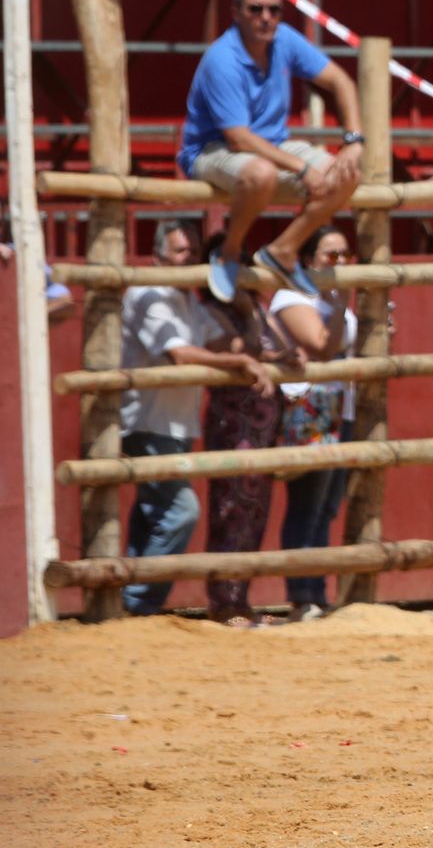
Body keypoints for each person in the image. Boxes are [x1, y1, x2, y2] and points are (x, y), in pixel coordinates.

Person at [178, 0, 365, 304]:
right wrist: (302, 169)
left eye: (274, 10)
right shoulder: (222, 59)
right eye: (256, 9)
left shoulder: (284, 40)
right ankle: (229, 253)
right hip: (211, 150)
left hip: (269, 147)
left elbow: (341, 81)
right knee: (261, 172)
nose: (266, 18)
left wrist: (353, 140)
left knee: (348, 174)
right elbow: (237, 139)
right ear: (236, 12)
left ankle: (284, 249)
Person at [120, 220, 275, 616]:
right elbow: (180, 353)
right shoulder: (148, 293)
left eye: (192, 252)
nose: (187, 260)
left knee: (153, 515)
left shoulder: (187, 300)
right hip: (147, 422)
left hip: (175, 422)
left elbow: (231, 344)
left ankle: (127, 602)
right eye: (179, 252)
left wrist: (247, 313)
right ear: (157, 256)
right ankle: (140, 603)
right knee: (180, 510)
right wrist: (240, 358)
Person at [197, 234, 295, 626]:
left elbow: (282, 347)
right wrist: (248, 315)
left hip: (264, 418)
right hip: (234, 418)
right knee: (230, 507)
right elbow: (241, 349)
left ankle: (241, 600)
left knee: (255, 509)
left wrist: (253, 312)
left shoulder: (258, 307)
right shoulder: (208, 309)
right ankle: (224, 602)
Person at [271, 225, 358, 621]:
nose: (339, 263)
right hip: (314, 406)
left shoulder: (331, 298)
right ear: (308, 260)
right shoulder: (292, 296)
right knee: (308, 504)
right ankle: (301, 594)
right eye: (330, 255)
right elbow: (323, 346)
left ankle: (316, 592)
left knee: (327, 506)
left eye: (344, 255)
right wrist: (340, 306)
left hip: (344, 407)